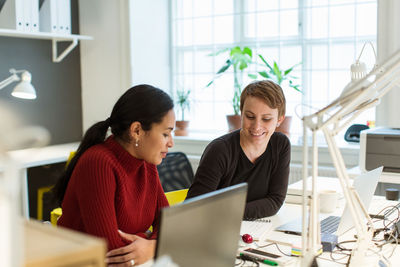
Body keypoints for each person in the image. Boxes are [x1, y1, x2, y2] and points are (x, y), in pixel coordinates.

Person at [53, 84, 175, 266]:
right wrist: (152, 242)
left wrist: (150, 247)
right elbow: (112, 252)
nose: (171, 143)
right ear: (137, 131)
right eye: (165, 134)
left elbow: (169, 224)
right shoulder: (98, 163)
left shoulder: (146, 164)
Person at [186, 80, 291, 219]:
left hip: (250, 228)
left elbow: (275, 200)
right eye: (250, 117)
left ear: (280, 120)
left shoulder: (280, 145)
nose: (256, 126)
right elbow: (195, 207)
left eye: (266, 119)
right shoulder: (220, 150)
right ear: (241, 114)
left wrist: (229, 212)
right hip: (214, 227)